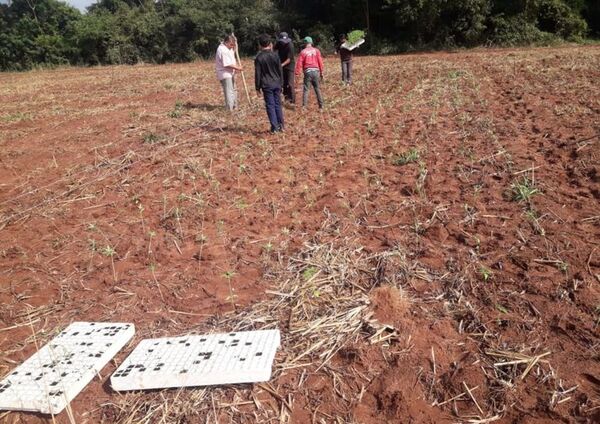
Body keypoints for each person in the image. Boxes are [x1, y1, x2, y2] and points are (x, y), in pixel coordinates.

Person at [254, 34, 285, 133]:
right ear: (270, 44)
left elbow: (258, 73)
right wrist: (282, 83)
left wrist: (257, 87)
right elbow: (280, 70)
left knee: (270, 105)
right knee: (277, 104)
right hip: (276, 83)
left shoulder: (259, 58)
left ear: (260, 45)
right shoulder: (275, 55)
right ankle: (281, 126)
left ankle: (274, 127)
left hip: (267, 84)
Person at [294, 36, 324, 109]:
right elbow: (320, 62)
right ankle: (321, 105)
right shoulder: (317, 51)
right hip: (316, 71)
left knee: (306, 89)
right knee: (317, 88)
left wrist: (297, 73)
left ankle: (304, 106)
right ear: (311, 43)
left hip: (308, 71)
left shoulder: (303, 52)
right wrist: (321, 72)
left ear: (305, 43)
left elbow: (299, 64)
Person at [215, 35, 243, 111]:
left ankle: (234, 106)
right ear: (226, 42)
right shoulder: (222, 50)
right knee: (229, 91)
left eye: (233, 45)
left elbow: (231, 56)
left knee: (233, 90)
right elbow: (227, 64)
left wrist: (236, 67)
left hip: (230, 72)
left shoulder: (228, 48)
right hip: (225, 73)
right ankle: (229, 109)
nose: (232, 46)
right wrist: (238, 68)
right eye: (231, 44)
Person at [274, 32, 295, 104]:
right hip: (282, 65)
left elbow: (289, 59)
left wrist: (281, 65)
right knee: (283, 83)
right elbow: (273, 49)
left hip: (289, 66)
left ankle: (292, 101)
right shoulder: (278, 44)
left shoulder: (290, 45)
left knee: (290, 83)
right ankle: (286, 98)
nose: (284, 43)